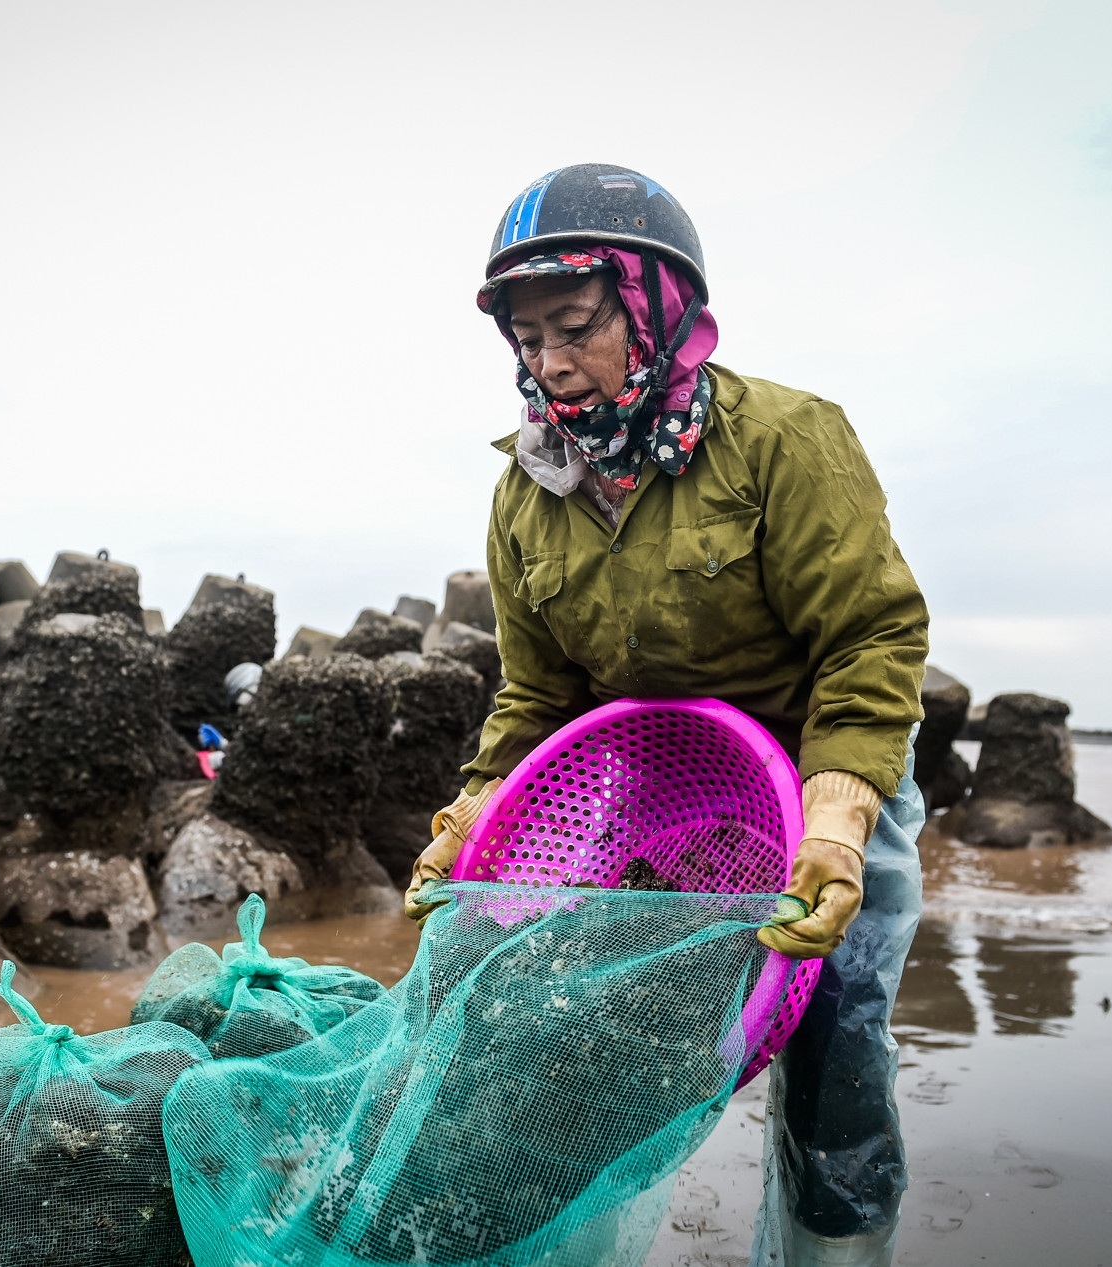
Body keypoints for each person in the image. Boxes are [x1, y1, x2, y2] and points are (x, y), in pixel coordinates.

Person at [403, 163, 930, 1267]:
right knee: (573, 1045)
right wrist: (471, 811)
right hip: (651, 795)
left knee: (834, 1055)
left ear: (653, 308)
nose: (548, 363)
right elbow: (538, 693)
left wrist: (834, 822)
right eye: (526, 338)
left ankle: (833, 1254)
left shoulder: (783, 439)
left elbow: (867, 641)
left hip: (821, 765)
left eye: (576, 325)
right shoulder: (527, 489)